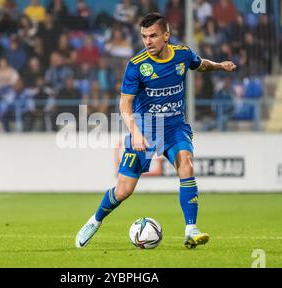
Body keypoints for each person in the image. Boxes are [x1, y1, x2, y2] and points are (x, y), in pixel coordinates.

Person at [75, 13, 236, 249]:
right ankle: (95, 220)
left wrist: (220, 66)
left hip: (174, 126)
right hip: (145, 128)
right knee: (123, 191)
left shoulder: (182, 54)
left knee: (186, 163)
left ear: (166, 36)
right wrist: (136, 132)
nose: (148, 41)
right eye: (144, 37)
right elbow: (124, 105)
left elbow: (200, 64)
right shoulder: (137, 65)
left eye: (153, 36)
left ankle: (191, 229)